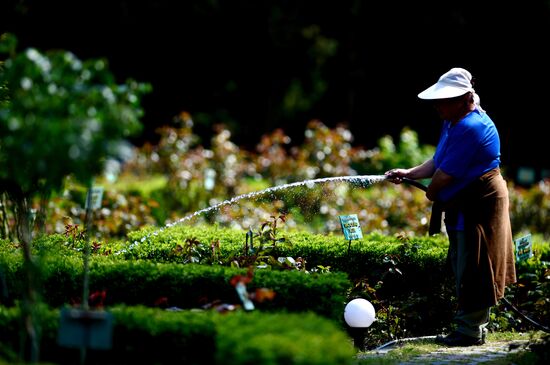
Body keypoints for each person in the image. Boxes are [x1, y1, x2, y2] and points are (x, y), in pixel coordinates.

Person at [385, 67, 516, 346]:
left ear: (464, 99)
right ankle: (472, 328)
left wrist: (431, 193)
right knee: (465, 263)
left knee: (477, 264)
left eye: (444, 101)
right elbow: (437, 163)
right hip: (463, 205)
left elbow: (445, 176)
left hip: (480, 204)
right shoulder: (452, 121)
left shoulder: (471, 126)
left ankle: (470, 331)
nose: (437, 107)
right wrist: (408, 173)